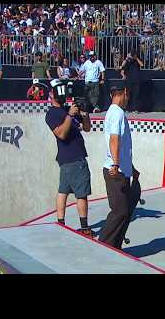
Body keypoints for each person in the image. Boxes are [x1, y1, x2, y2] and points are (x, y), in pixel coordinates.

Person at [44, 79, 93, 237]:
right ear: (52, 95)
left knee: (63, 190)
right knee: (80, 193)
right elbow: (61, 134)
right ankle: (83, 227)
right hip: (74, 158)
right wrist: (69, 116)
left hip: (69, 159)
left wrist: (85, 115)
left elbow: (86, 128)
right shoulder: (52, 114)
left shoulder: (67, 109)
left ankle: (61, 223)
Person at [98, 81, 139, 249]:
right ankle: (103, 246)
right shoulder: (117, 113)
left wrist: (132, 169)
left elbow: (122, 146)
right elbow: (114, 139)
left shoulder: (113, 112)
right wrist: (115, 164)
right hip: (116, 171)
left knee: (128, 207)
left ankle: (115, 246)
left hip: (123, 169)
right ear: (125, 92)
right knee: (119, 211)